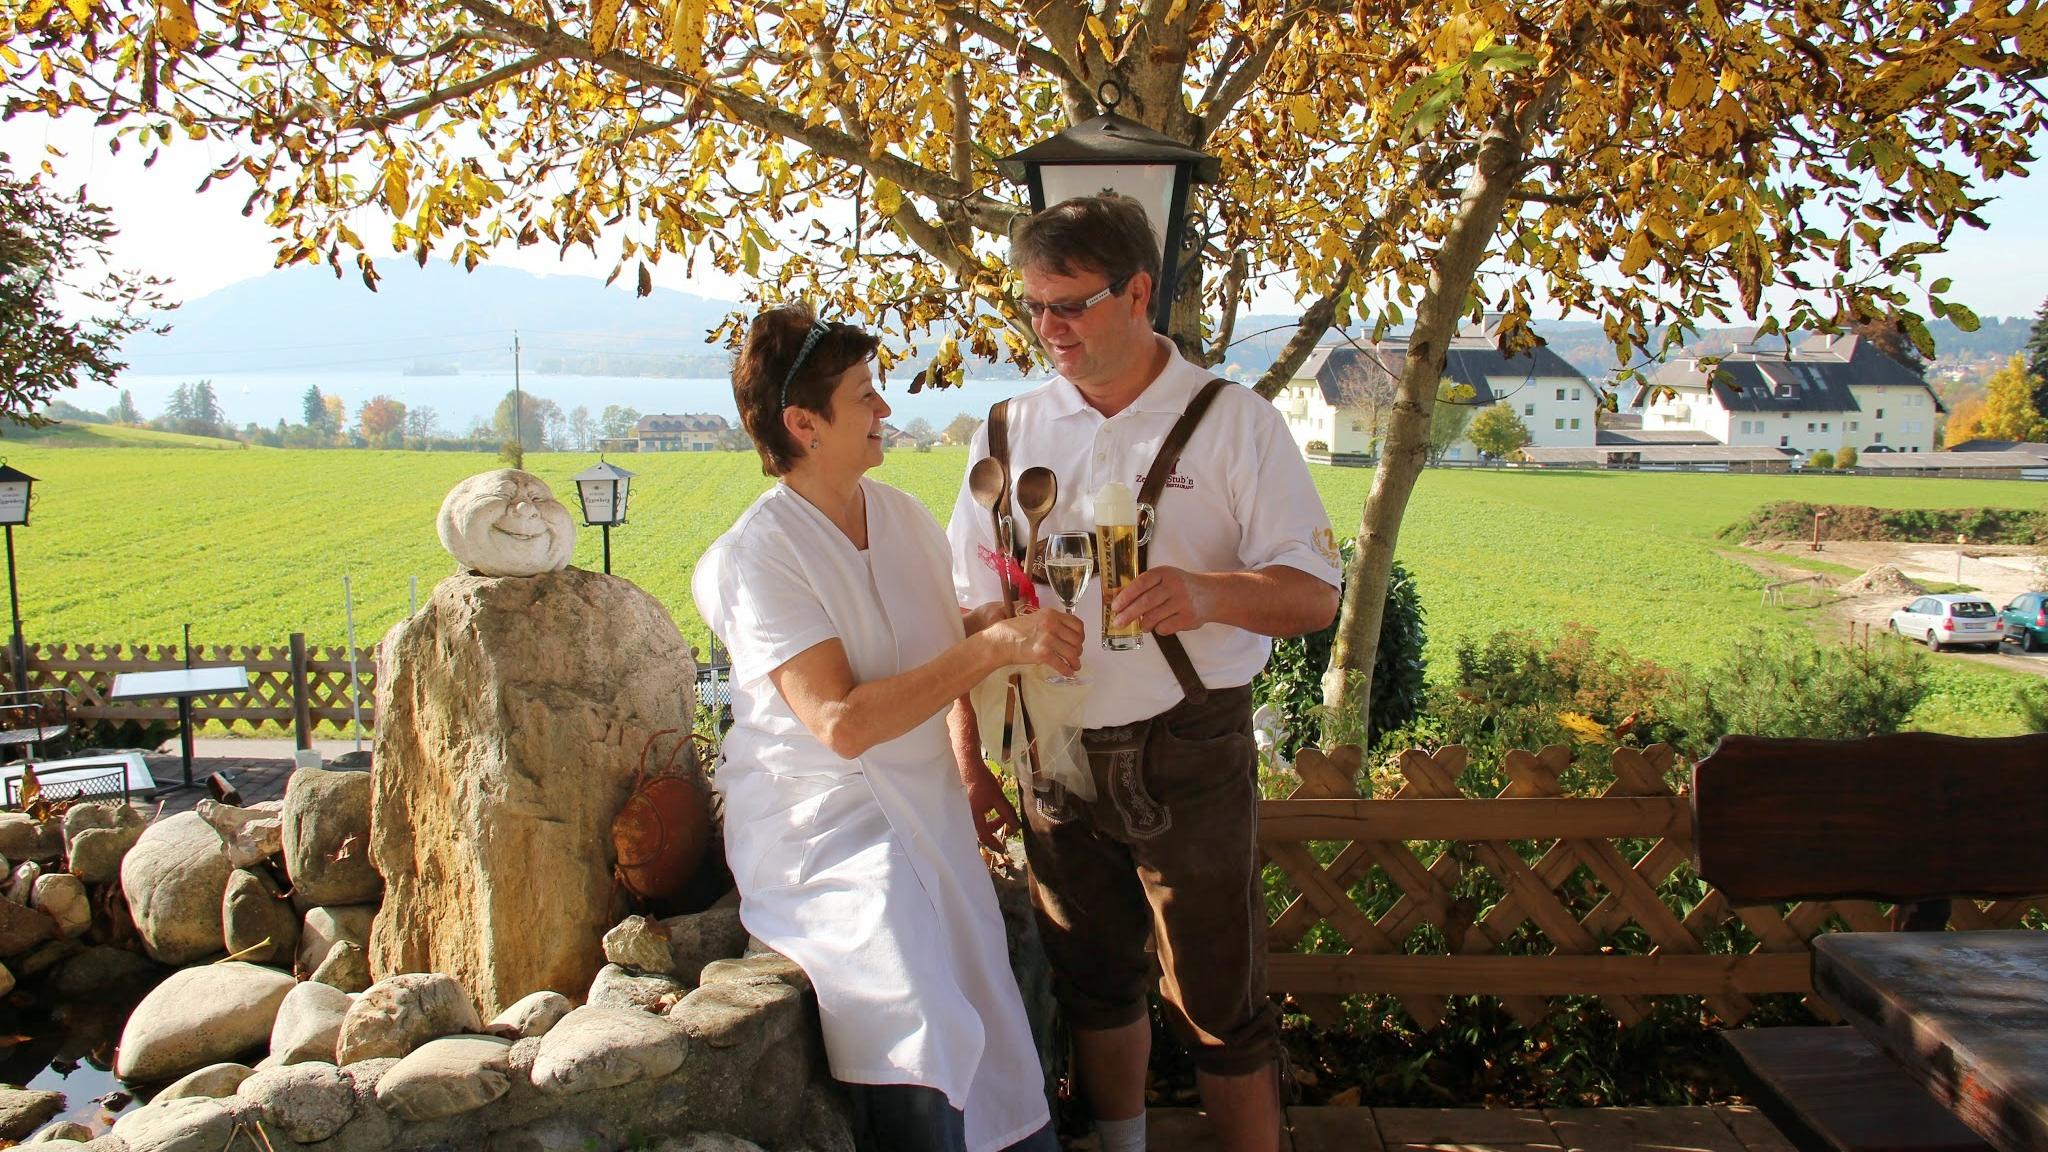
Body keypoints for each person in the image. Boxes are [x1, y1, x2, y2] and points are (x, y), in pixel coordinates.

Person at [945, 196, 1342, 1152]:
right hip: (1050, 751)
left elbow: (1315, 595)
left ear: (1138, 293)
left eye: (1071, 306)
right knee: (1091, 981)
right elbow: (959, 618)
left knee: (1220, 999)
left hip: (1189, 741)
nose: (1049, 331)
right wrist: (971, 761)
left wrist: (1208, 594)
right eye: (1035, 308)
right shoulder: (1007, 431)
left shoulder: (1234, 421)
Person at [693, 304, 1083, 1152]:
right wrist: (989, 652)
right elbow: (839, 721)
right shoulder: (756, 558)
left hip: (928, 811)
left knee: (992, 1016)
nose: (885, 411)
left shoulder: (903, 519)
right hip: (823, 832)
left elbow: (942, 649)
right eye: (865, 396)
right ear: (802, 424)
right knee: (914, 1001)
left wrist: (1001, 632)